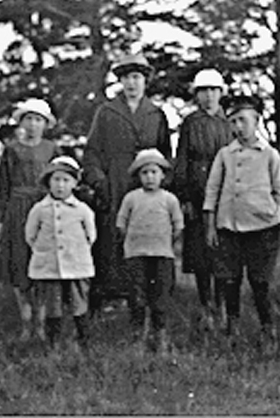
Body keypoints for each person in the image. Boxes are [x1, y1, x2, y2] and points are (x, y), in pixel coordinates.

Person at [82, 54, 172, 312]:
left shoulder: (155, 114)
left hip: (146, 184)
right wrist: (99, 181)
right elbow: (92, 152)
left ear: (145, 81)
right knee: (112, 238)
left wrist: (161, 184)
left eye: (136, 77)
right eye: (126, 78)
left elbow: (166, 154)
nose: (131, 83)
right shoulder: (107, 111)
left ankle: (145, 298)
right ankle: (112, 297)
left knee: (145, 236)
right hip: (116, 182)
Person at [204, 95, 280, 339]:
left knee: (260, 282)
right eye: (233, 121)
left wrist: (275, 214)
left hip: (262, 229)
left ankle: (267, 329)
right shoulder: (225, 154)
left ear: (256, 121)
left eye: (243, 120)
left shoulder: (269, 154)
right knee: (230, 280)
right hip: (229, 228)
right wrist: (211, 225)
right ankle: (233, 328)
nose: (238, 127)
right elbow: (212, 190)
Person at [173, 68, 233, 330]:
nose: (209, 96)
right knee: (200, 254)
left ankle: (221, 305)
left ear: (221, 93)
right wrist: (184, 196)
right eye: (203, 91)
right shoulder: (190, 123)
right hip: (197, 194)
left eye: (213, 90)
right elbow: (182, 160)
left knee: (222, 252)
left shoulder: (228, 123)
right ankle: (205, 304)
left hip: (224, 197)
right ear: (196, 95)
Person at [0, 97, 60, 341]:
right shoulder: (12, 150)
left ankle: (41, 323)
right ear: (21, 123)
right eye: (29, 119)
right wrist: (1, 219)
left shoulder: (51, 149)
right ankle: (25, 321)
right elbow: (3, 187)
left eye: (38, 120)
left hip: (43, 208)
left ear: (45, 124)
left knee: (41, 263)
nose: (33, 124)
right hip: (18, 210)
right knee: (19, 262)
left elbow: (59, 180)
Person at [25, 156, 97, 351]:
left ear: (74, 184)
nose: (60, 185)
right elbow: (31, 236)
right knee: (53, 306)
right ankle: (53, 344)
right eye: (56, 179)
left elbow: (91, 236)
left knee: (78, 303)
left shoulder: (82, 210)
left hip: (76, 265)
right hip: (50, 266)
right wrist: (44, 252)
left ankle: (82, 342)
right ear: (48, 182)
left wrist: (77, 252)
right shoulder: (39, 209)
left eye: (66, 180)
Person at [116, 149, 184, 355]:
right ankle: (139, 338)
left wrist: (164, 243)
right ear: (138, 176)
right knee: (137, 297)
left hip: (162, 255)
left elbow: (178, 226)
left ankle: (161, 337)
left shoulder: (170, 199)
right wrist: (134, 243)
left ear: (162, 175)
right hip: (136, 255)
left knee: (160, 298)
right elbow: (121, 224)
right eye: (145, 173)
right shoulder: (131, 198)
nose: (150, 177)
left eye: (154, 172)